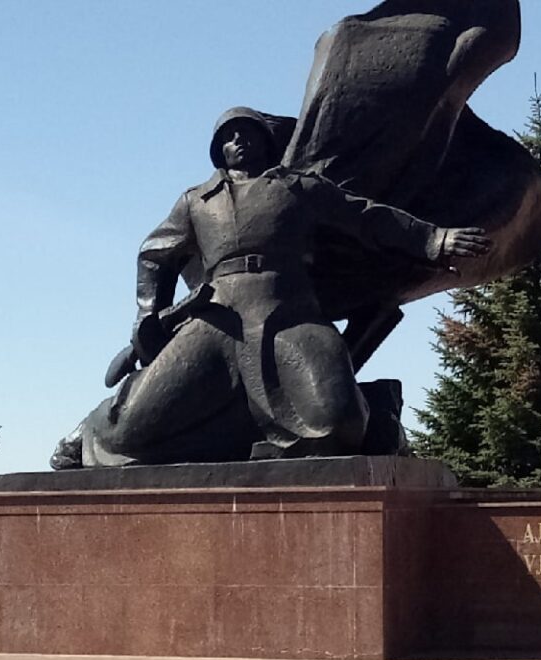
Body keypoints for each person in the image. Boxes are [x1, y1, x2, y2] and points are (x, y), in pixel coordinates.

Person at [53, 107, 491, 468]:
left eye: (249, 132)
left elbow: (365, 217)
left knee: (338, 427)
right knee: (131, 429)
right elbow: (154, 253)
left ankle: (376, 410)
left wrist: (434, 239)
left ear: (267, 141)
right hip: (215, 318)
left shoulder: (297, 188)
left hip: (290, 313)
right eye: (230, 135)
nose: (240, 140)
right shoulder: (196, 201)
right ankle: (88, 430)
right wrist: (148, 314)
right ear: (218, 150)